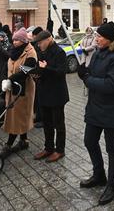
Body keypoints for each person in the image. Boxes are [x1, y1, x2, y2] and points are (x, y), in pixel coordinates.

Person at [77, 22, 114, 206]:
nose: (96, 39)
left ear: (109, 39)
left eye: (99, 37)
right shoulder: (100, 51)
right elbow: (94, 72)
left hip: (110, 108)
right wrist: (84, 70)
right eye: (96, 36)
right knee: (89, 141)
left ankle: (112, 185)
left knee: (112, 148)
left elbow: (112, 85)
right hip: (95, 106)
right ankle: (99, 175)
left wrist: (88, 79)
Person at [32, 30, 68, 162]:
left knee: (58, 124)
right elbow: (39, 68)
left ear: (48, 39)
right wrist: (35, 73)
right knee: (46, 122)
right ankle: (48, 148)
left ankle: (60, 150)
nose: (39, 45)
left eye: (41, 43)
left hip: (57, 93)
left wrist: (45, 69)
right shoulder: (41, 51)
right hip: (44, 91)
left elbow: (61, 72)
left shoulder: (59, 52)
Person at [1, 27, 37, 156]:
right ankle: (23, 140)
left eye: (17, 40)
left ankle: (9, 144)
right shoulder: (14, 51)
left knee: (17, 117)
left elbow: (24, 71)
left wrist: (10, 80)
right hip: (12, 88)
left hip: (23, 89)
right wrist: (5, 79)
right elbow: (8, 67)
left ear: (24, 41)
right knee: (20, 116)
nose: (14, 42)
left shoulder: (30, 53)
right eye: (14, 40)